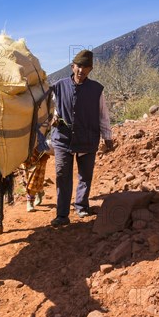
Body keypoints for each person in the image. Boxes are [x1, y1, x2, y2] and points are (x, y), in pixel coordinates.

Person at [50, 49, 114, 227]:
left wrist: (107, 137)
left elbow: (103, 115)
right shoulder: (58, 86)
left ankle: (81, 206)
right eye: (78, 66)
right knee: (62, 175)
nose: (81, 71)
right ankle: (62, 215)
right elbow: (52, 107)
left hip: (87, 137)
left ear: (90, 70)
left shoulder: (96, 90)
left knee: (85, 175)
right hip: (63, 138)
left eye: (85, 68)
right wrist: (53, 116)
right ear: (72, 66)